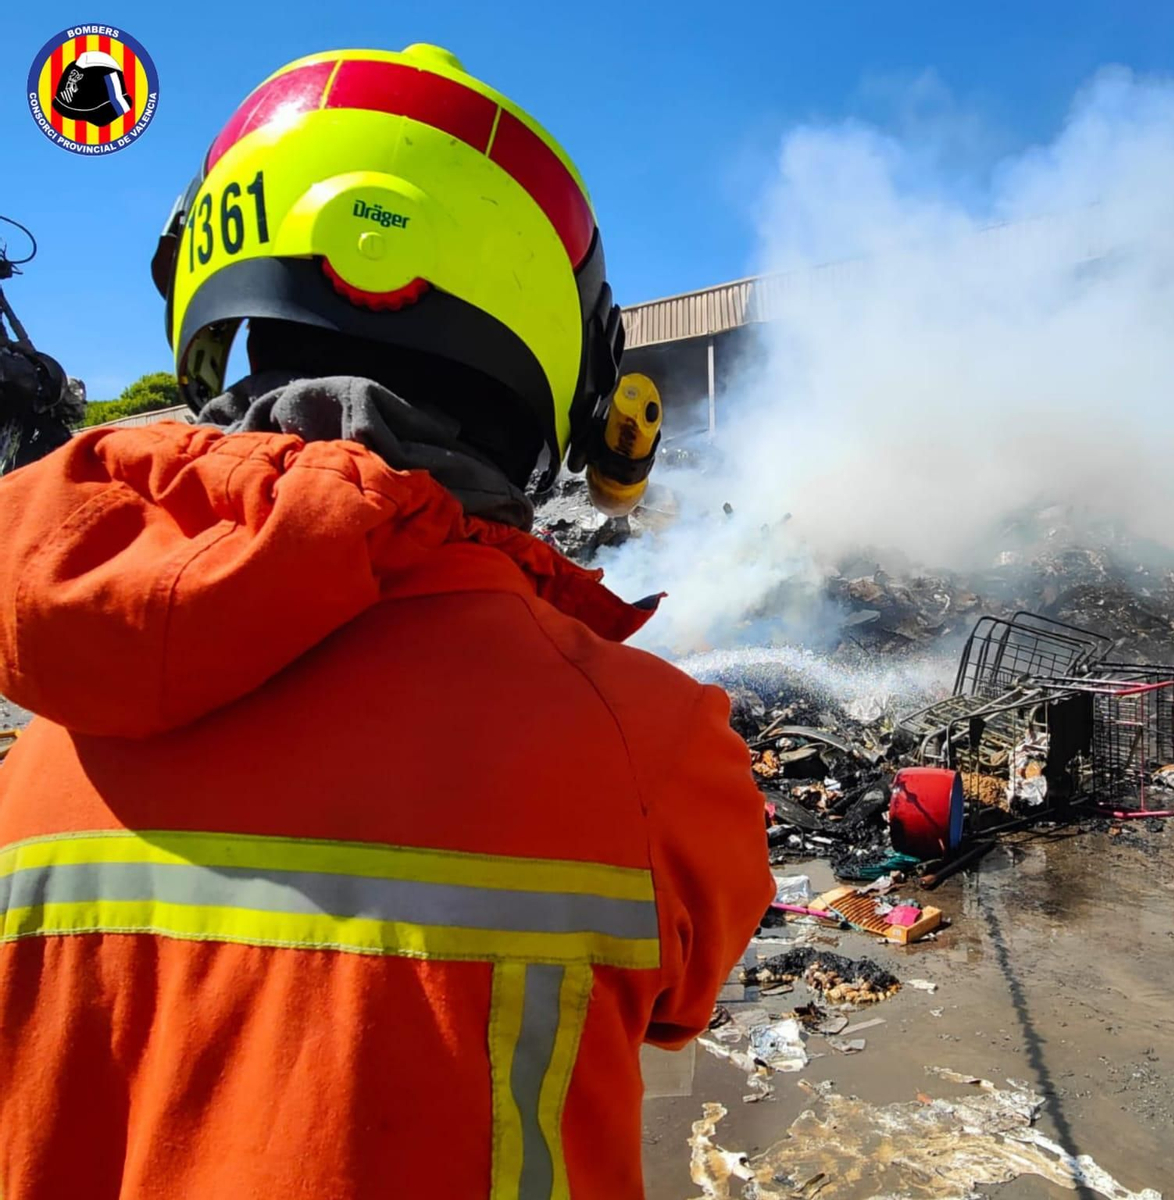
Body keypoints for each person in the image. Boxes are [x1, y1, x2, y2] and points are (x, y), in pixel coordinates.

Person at [0, 43, 772, 1200]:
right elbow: (679, 1009)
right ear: (557, 364)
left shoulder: (52, 721)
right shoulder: (649, 750)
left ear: (219, 299)